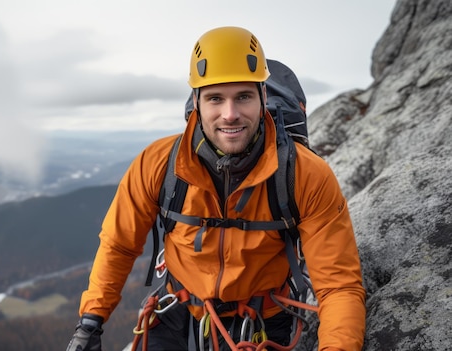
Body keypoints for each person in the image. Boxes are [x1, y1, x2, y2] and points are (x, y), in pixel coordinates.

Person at [66, 26, 366, 351]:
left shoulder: (304, 174)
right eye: (215, 98)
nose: (230, 114)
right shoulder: (158, 163)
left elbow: (338, 286)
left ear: (264, 96)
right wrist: (91, 322)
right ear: (196, 101)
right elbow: (119, 244)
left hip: (263, 322)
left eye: (244, 97)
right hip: (177, 311)